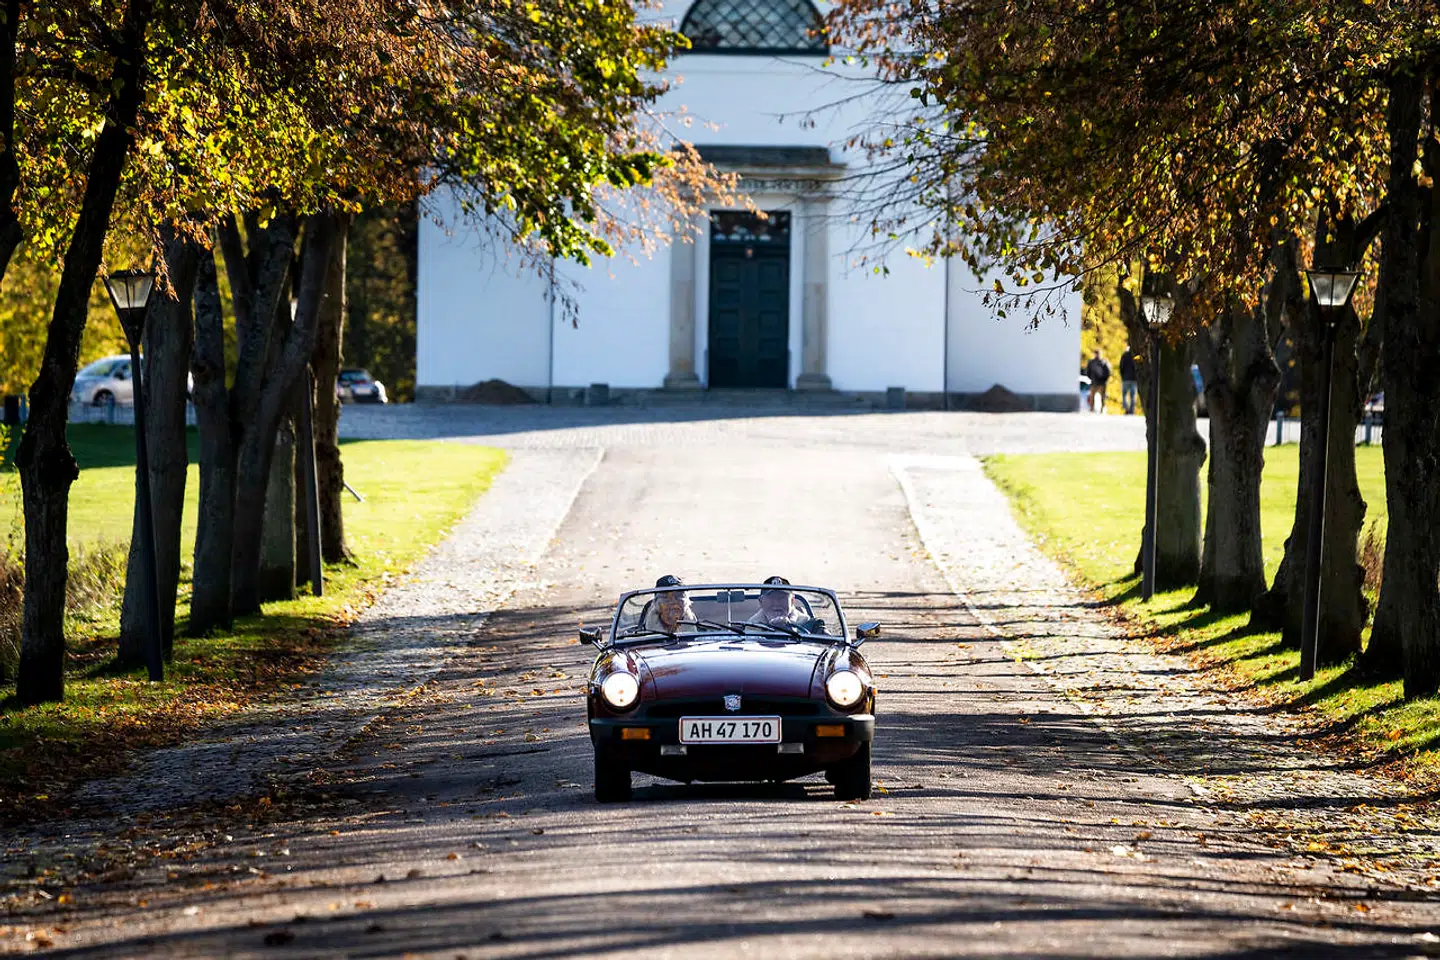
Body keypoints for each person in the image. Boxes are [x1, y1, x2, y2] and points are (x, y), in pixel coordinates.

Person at [1120, 345, 1139, 415]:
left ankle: (1126, 408)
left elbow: (1121, 366)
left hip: (1126, 378)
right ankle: (1132, 410)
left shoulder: (1124, 355)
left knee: (1124, 394)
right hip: (1134, 379)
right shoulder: (1136, 356)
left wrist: (1122, 376)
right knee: (1133, 395)